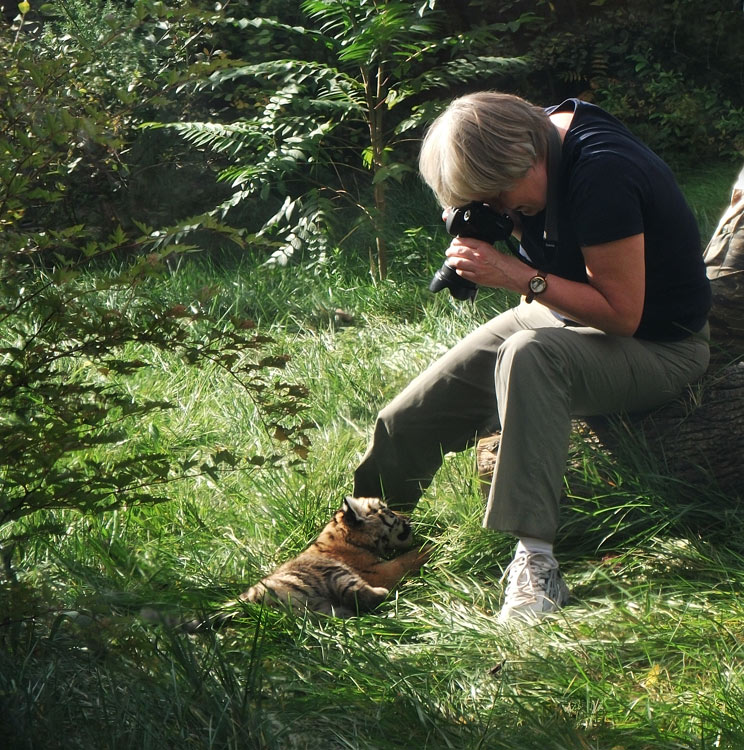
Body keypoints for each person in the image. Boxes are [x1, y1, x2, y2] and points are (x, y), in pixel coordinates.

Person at [352, 92, 712, 622]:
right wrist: (491, 224)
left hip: (660, 345)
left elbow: (621, 315)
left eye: (502, 198)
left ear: (531, 156)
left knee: (528, 355)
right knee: (408, 417)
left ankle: (536, 563)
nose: (502, 211)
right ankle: (360, 545)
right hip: (565, 320)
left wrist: (518, 275)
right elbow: (526, 225)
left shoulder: (603, 172)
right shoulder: (523, 140)